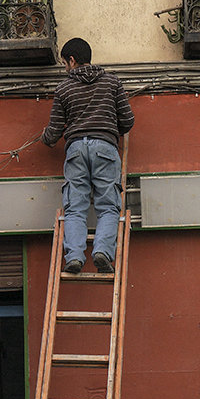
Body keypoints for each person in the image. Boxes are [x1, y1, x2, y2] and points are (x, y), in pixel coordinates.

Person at [41, 37, 135, 275]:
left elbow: (54, 131)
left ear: (72, 60)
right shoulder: (112, 83)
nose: (65, 68)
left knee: (75, 208)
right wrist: (111, 130)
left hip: (75, 150)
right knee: (109, 207)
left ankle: (74, 256)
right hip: (105, 147)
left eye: (65, 63)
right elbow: (128, 120)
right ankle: (102, 251)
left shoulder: (63, 88)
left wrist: (45, 138)